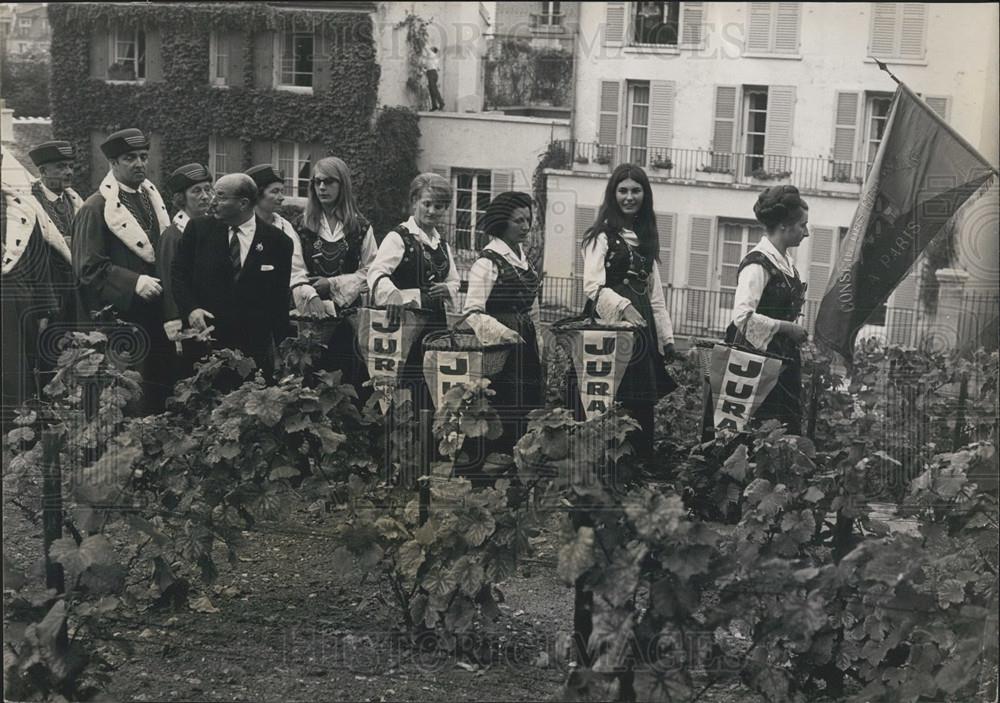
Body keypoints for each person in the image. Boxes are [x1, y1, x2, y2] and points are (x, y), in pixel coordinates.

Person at [579, 163, 677, 463]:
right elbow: (592, 287)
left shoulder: (645, 239)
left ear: (645, 195)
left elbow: (656, 296)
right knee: (608, 393)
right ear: (613, 194)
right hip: (609, 325)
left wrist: (667, 339)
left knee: (638, 399)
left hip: (641, 328)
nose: (629, 197)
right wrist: (624, 307)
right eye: (623, 190)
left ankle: (636, 464)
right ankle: (603, 462)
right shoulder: (601, 236)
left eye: (636, 190)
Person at [72, 128, 173, 414]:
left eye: (143, 156)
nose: (140, 163)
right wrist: (133, 282)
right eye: (130, 158)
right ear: (113, 163)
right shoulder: (96, 208)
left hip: (154, 315)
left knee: (157, 390)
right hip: (119, 319)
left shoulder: (152, 200)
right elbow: (87, 268)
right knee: (125, 397)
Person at [171, 173, 293, 381]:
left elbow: (279, 302)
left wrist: (285, 353)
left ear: (243, 203)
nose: (212, 202)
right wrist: (191, 309)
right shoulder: (198, 230)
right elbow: (178, 274)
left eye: (220, 196)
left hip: (252, 354)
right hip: (205, 344)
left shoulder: (278, 242)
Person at [461, 191, 544, 469]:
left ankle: (519, 466)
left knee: (527, 405)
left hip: (525, 342)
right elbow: (472, 311)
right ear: (501, 223)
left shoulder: (524, 260)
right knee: (500, 405)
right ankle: (487, 470)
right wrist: (503, 332)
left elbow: (532, 306)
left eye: (528, 220)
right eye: (518, 221)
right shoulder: (488, 262)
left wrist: (538, 339)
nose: (525, 227)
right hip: (499, 348)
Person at [367, 172, 459, 412]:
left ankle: (426, 441)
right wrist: (393, 294)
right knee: (401, 387)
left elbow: (455, 281)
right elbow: (376, 273)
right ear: (414, 202)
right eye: (426, 204)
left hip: (435, 325)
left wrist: (447, 288)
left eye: (439, 206)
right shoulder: (398, 237)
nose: (432, 211)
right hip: (405, 326)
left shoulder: (442, 244)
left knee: (430, 386)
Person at [725, 185, 810, 435]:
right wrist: (787, 328)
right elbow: (742, 317)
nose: (806, 232)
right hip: (754, 357)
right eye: (802, 225)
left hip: (781, 355)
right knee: (760, 424)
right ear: (784, 225)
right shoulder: (757, 263)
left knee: (783, 423)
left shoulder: (785, 263)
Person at [291, 157, 377, 385]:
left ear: (343, 185)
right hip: (310, 316)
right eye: (317, 182)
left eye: (329, 182)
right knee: (310, 378)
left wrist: (334, 283)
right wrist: (310, 293)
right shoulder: (301, 225)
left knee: (346, 378)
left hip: (348, 318)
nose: (322, 187)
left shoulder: (360, 227)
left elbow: (372, 270)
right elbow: (294, 269)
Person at [2, 186, 60, 434]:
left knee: (20, 370)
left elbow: (40, 262)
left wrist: (45, 308)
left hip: (21, 304)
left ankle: (21, 436)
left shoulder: (22, 209)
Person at [158, 163, 213, 385]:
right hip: (186, 323)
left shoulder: (212, 228)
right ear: (182, 198)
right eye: (196, 191)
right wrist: (176, 324)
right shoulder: (174, 236)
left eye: (208, 189)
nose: (204, 196)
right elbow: (170, 282)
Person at [28, 140, 84, 326]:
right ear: (43, 171)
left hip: (78, 291)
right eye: (60, 167)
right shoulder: (28, 204)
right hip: (47, 293)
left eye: (70, 166)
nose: (69, 172)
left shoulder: (76, 201)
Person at [424, 46, 445, 112]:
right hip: (432, 73)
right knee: (432, 90)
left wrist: (420, 37)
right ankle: (434, 106)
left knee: (433, 89)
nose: (430, 48)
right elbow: (433, 67)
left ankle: (441, 103)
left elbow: (425, 47)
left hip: (431, 73)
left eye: (431, 48)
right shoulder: (433, 58)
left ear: (433, 50)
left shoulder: (431, 54)